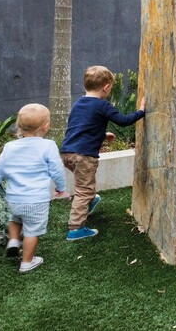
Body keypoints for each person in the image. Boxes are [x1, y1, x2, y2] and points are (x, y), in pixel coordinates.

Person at [0, 104, 67, 273]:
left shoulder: (10, 147)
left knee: (15, 219)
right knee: (32, 232)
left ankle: (13, 240)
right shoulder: (48, 146)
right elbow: (57, 169)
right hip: (36, 200)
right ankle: (27, 262)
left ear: (19, 125)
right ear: (45, 127)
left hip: (14, 199)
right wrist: (60, 187)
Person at [61, 66, 146, 241]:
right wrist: (141, 111)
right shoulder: (102, 105)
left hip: (67, 153)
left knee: (85, 183)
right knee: (83, 189)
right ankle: (76, 229)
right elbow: (123, 121)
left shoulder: (78, 103)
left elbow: (81, 127)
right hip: (84, 156)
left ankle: (89, 202)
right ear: (106, 87)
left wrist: (102, 135)